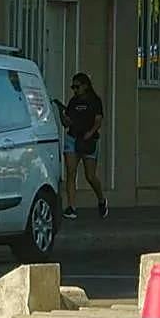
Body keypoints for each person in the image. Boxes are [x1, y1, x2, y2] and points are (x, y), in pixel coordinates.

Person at [60, 72, 108, 220]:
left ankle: (101, 199)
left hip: (88, 140)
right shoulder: (73, 101)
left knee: (90, 175)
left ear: (85, 86)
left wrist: (90, 132)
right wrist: (63, 115)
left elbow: (98, 120)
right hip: (72, 138)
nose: (74, 90)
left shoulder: (95, 101)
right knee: (71, 171)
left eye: (77, 86)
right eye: (73, 87)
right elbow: (66, 123)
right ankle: (71, 207)